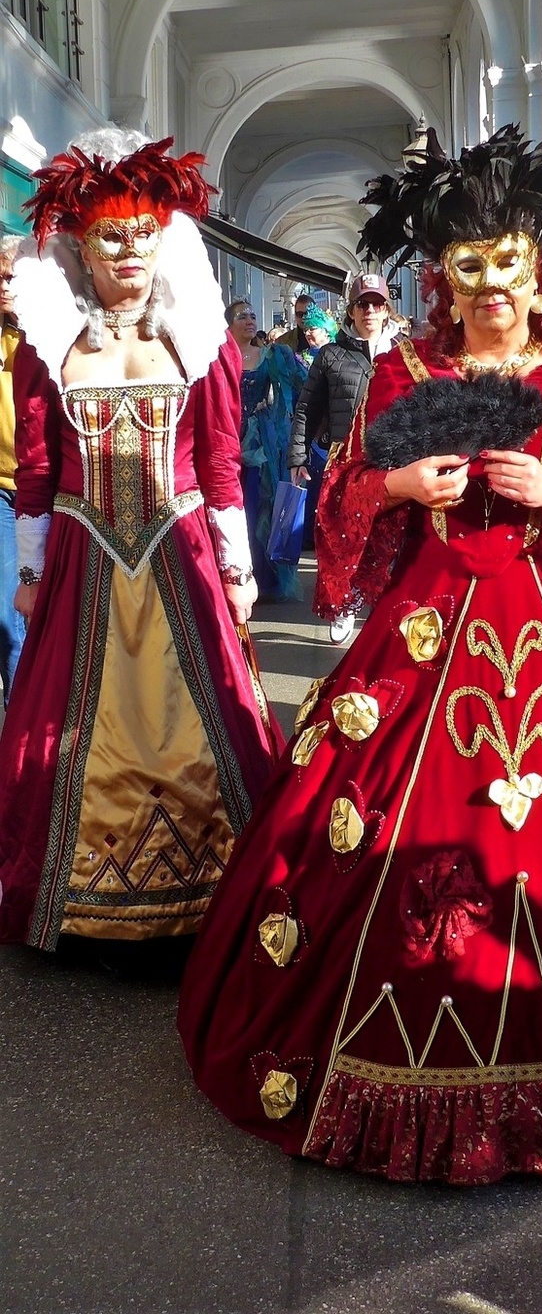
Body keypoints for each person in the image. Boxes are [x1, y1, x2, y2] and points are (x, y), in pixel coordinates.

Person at [178, 124, 542, 1186]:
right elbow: (346, 492)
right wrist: (398, 485)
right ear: (442, 275)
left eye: (508, 266)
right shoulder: (406, 370)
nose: (490, 290)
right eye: (468, 268)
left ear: (540, 272)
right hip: (429, 627)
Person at [0, 128, 283, 951]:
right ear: (79, 249)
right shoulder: (49, 349)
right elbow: (40, 469)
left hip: (181, 554)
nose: (129, 255)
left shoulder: (198, 342)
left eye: (142, 237)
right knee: (71, 727)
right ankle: (83, 904)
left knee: (204, 716)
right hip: (83, 559)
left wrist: (237, 569)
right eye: (110, 239)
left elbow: (221, 463)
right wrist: (30, 569)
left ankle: (207, 896)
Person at [287, 271, 400, 642]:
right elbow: (307, 408)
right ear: (351, 311)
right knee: (344, 538)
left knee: (392, 539)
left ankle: (391, 611)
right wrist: (298, 457)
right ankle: (346, 604)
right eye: (362, 304)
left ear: (386, 310)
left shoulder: (405, 352)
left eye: (377, 304)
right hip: (347, 461)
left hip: (395, 460)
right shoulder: (332, 355)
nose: (370, 311)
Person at [228, 300, 307, 601]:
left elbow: (304, 385)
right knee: (230, 504)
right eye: (242, 316)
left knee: (260, 503)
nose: (250, 320)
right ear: (229, 324)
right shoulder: (217, 357)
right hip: (227, 435)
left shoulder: (272, 356)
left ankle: (262, 575)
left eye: (252, 315)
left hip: (261, 441)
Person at [0, 235, 26, 707]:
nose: (5, 285)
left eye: (11, 277)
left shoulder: (60, 335)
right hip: (4, 493)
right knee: (9, 618)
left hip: (60, 496)